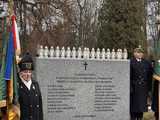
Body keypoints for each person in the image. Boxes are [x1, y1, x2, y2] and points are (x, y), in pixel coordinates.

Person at [18, 53, 43, 120]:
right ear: (21, 73)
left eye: (29, 72)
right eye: (25, 72)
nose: (28, 74)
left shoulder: (35, 84)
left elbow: (40, 108)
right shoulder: (17, 86)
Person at [130, 47, 153, 120]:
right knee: (134, 106)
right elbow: (129, 76)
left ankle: (140, 118)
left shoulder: (146, 62)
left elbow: (150, 75)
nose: (140, 54)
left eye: (141, 53)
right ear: (134, 53)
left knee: (141, 106)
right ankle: (133, 118)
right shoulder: (130, 62)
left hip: (143, 88)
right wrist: (130, 88)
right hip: (134, 87)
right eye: (138, 52)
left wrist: (149, 88)